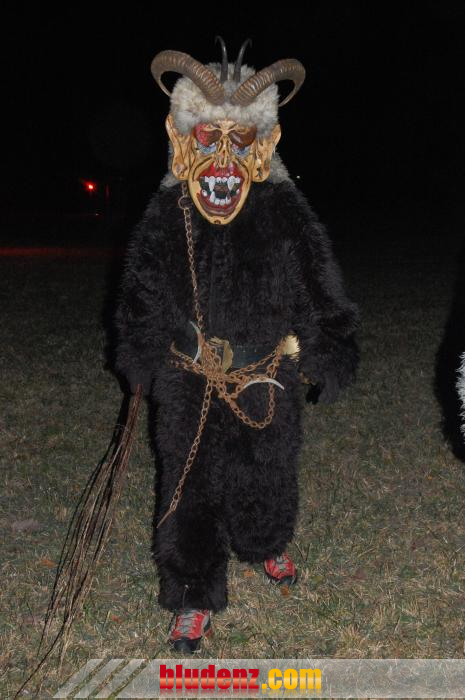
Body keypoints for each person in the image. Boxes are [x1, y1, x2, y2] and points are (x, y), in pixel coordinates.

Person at [114, 38, 359, 652]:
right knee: (188, 485)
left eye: (240, 137)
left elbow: (317, 282)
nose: (223, 154)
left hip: (266, 374)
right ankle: (192, 595)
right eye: (208, 135)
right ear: (183, 137)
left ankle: (265, 543)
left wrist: (328, 346)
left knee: (267, 472)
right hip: (189, 377)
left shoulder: (283, 208)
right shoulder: (169, 211)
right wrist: (140, 354)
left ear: (263, 143)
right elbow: (142, 289)